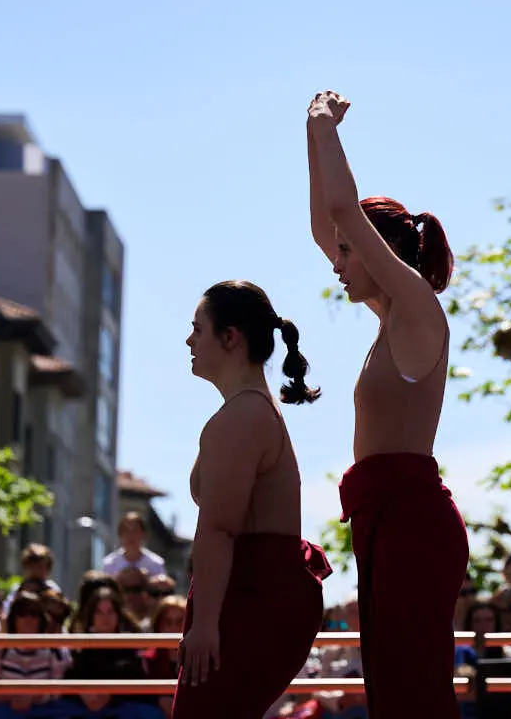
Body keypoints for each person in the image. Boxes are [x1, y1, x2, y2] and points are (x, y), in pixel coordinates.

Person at [307, 89, 468, 717]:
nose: (338, 263)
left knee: (414, 692)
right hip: (382, 520)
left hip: (412, 521)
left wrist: (325, 126)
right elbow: (326, 223)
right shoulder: (388, 320)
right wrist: (308, 131)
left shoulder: (418, 310)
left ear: (382, 252)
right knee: (393, 691)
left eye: (351, 253)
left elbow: (342, 212)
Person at [172, 280, 332, 718]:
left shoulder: (242, 415)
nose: (189, 340)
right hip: (252, 593)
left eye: (198, 329)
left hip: (250, 599)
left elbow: (219, 528)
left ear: (230, 337)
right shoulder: (249, 410)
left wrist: (204, 626)